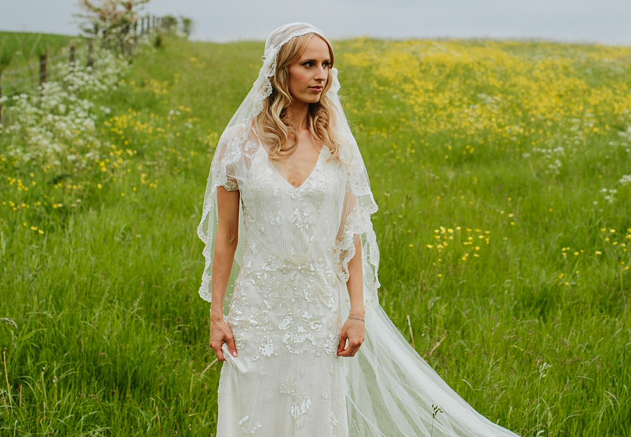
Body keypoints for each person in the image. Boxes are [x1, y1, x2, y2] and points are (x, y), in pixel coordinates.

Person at [197, 23, 520, 436]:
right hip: (258, 306)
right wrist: (217, 313)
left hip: (320, 308)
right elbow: (226, 235)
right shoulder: (239, 143)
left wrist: (357, 313)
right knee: (254, 409)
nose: (321, 75)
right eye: (308, 64)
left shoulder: (336, 145)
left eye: (327, 65)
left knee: (315, 412)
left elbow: (349, 236)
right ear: (281, 70)